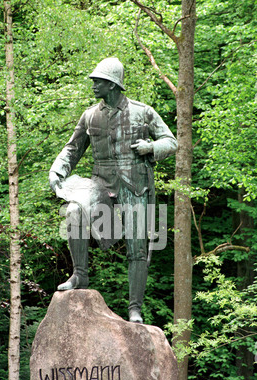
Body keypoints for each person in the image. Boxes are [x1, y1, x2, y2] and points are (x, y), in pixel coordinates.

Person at [49, 57, 177, 323]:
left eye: (99, 81)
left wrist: (151, 148)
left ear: (113, 84)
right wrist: (57, 170)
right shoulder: (90, 115)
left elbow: (170, 141)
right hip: (101, 183)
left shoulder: (143, 112)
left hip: (136, 184)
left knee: (137, 244)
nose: (94, 85)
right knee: (74, 210)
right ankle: (80, 274)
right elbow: (72, 148)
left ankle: (134, 308)